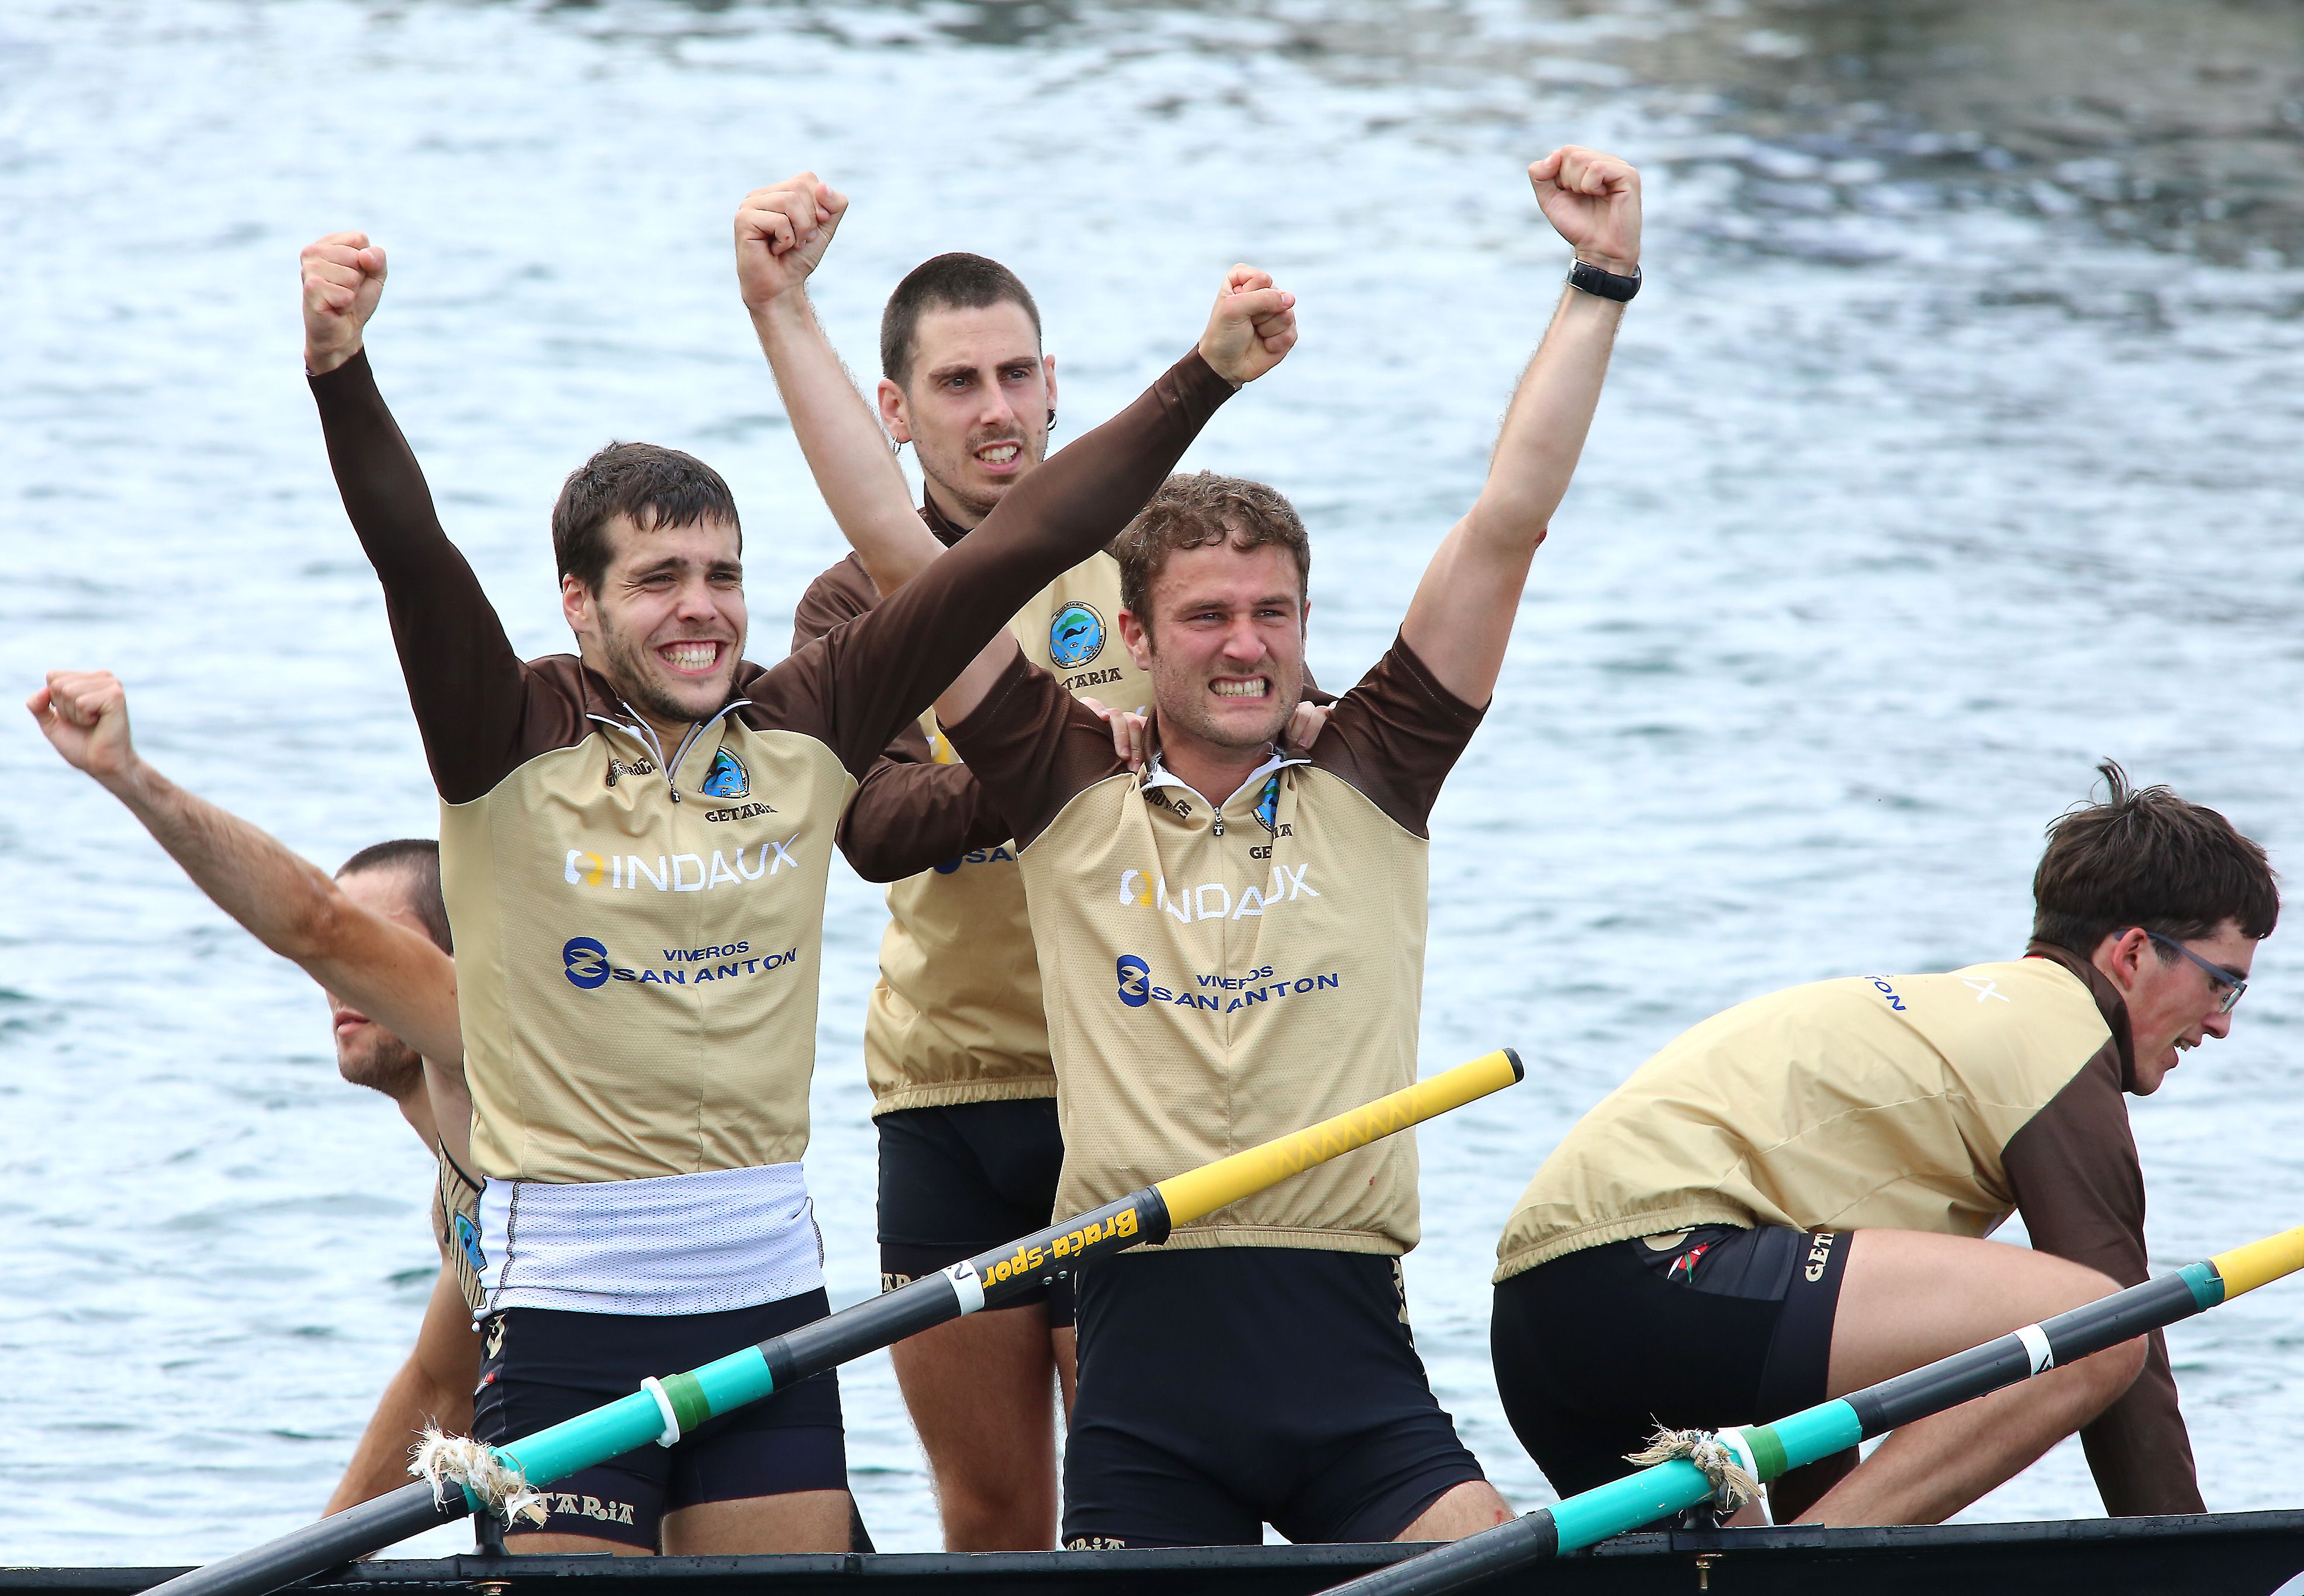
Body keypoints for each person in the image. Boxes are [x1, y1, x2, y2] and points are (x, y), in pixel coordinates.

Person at [293, 222, 1295, 1555]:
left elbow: (1018, 543)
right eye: (656, 581)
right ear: (579, 608)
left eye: (720, 576)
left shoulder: (805, 715)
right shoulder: (504, 733)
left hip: (770, 1308)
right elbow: (415, 560)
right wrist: (343, 371)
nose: (700, 610)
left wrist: (1204, 375)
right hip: (572, 1329)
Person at [809, 144, 1642, 1548]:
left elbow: (1509, 520)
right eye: (1204, 618)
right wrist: (781, 312)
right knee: (997, 1522)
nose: (1244, 645)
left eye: (1272, 614)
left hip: (1356, 1388)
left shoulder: (1374, 773)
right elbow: (896, 551)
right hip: (1147, 1401)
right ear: (1131, 643)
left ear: (1309, 627)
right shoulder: (1066, 788)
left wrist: (1598, 280)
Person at [737, 179, 1327, 1550]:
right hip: (947, 1097)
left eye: (1015, 373)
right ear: (894, 413)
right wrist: (1050, 765)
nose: (993, 408)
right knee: (995, 1514)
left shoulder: (1152, 559)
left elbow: (1285, 720)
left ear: (1057, 385)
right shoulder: (853, 601)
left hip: (1131, 1087)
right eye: (955, 383)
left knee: (1141, 1508)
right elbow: (872, 830)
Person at [1490, 762, 2277, 1526]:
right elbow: (2112, 1334)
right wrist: (2194, 1555)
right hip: (1657, 1275)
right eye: (2222, 982)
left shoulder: (1956, 1019)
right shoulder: (2054, 1033)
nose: (2222, 1022)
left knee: (1719, 1569)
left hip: (1539, 1319)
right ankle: (1811, 1574)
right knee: (2105, 1328)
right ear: (2133, 952)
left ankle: (1806, 1566)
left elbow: (1803, 1346)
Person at [25, 669, 479, 1516]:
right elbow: (444, 1384)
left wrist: (130, 776)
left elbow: (316, 920)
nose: (346, 980)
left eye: (378, 954)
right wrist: (308, 1561)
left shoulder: (500, 1085)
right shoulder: (461, 1197)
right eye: (339, 969)